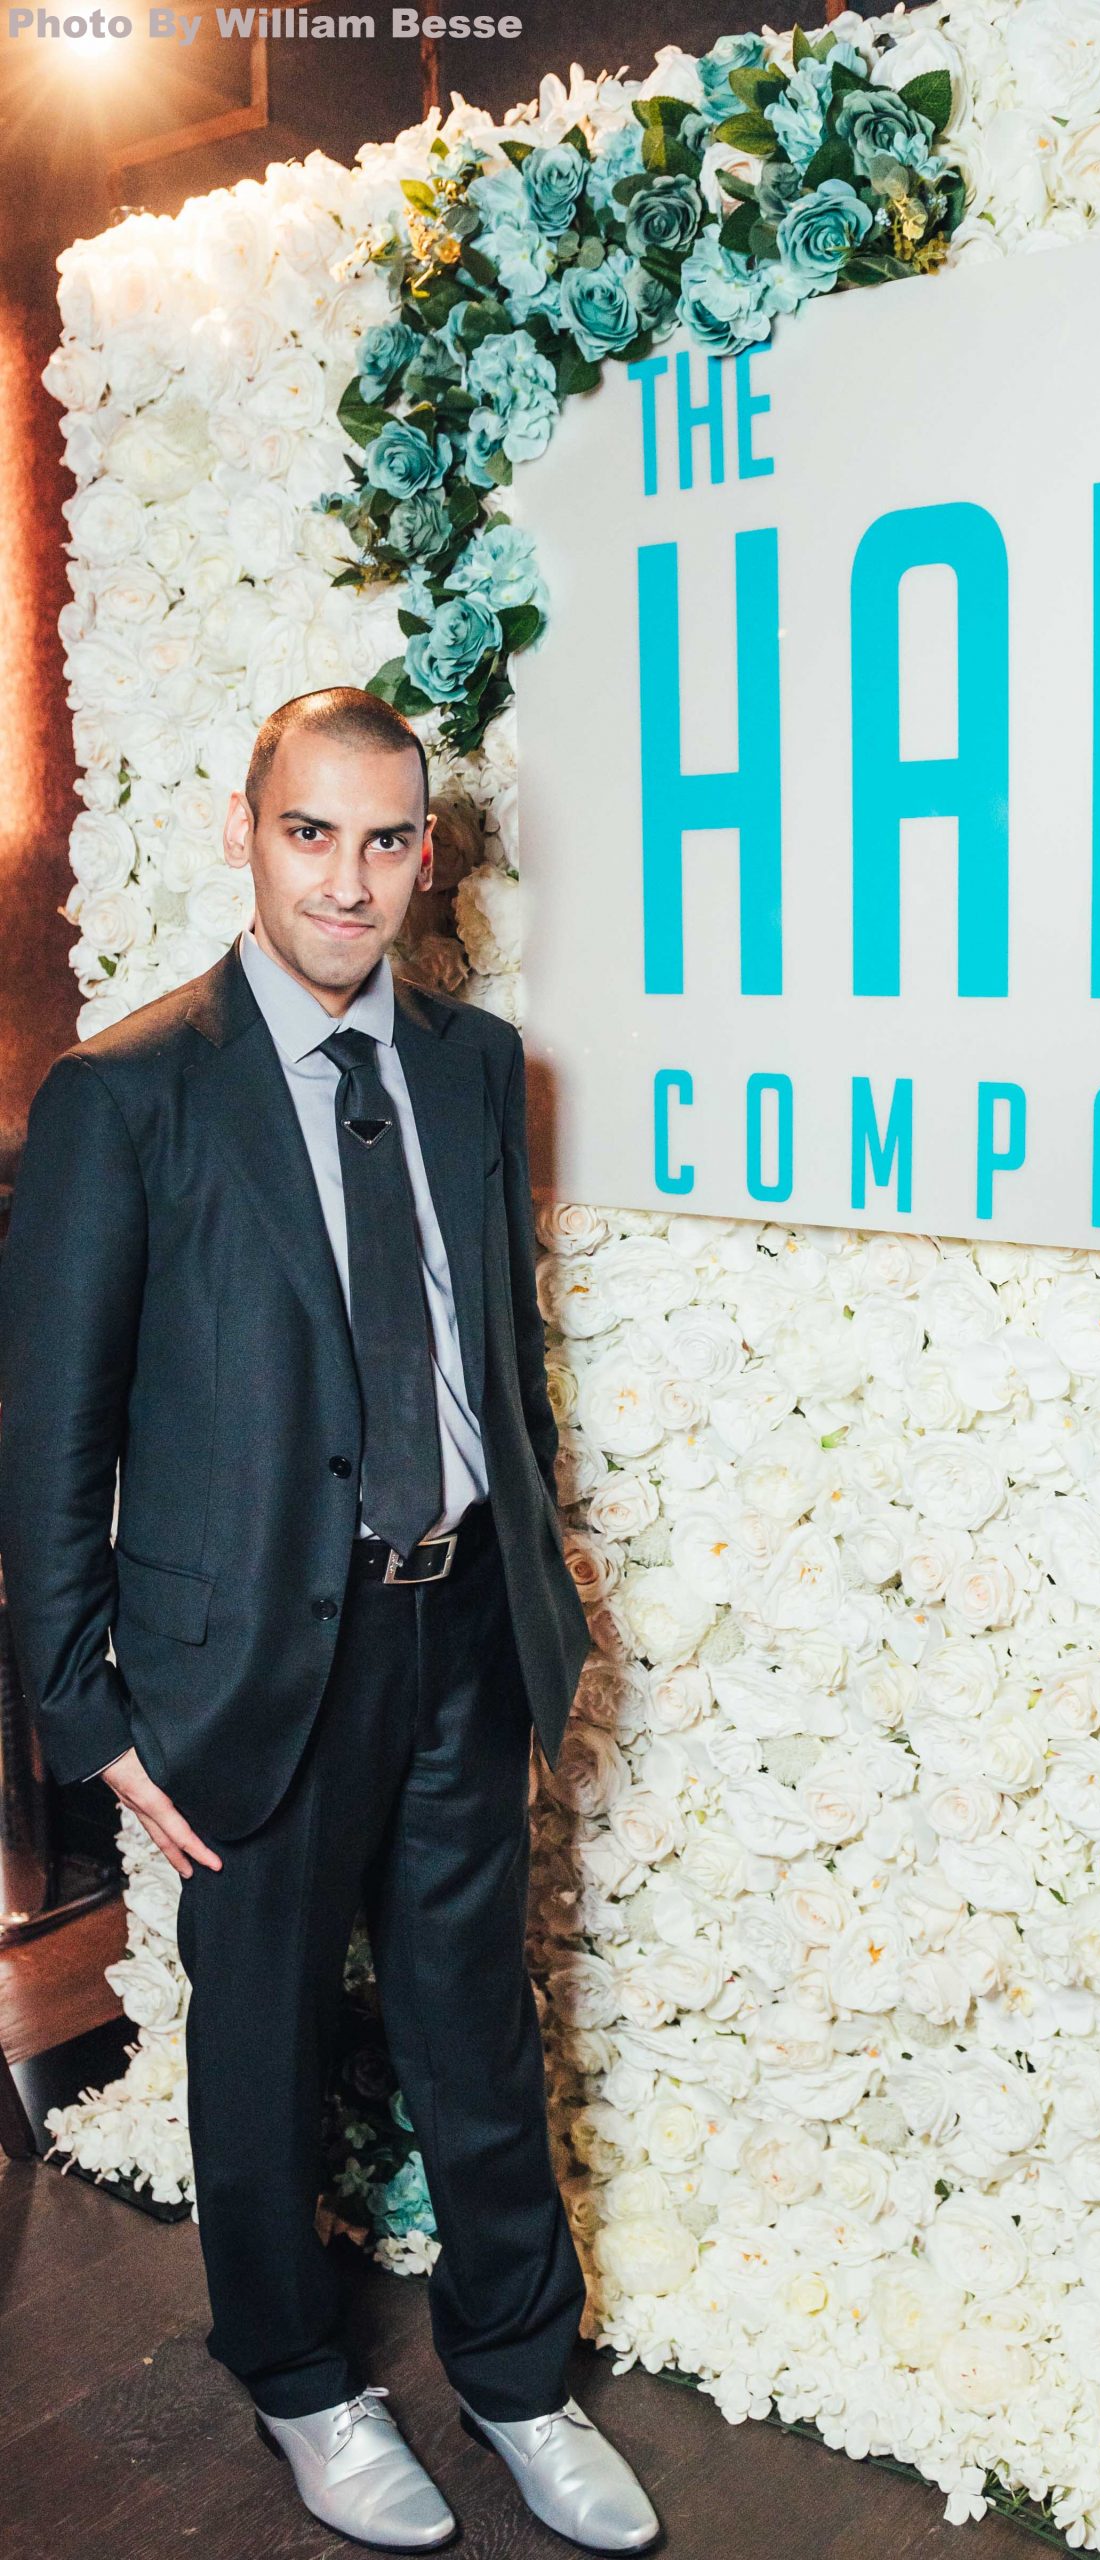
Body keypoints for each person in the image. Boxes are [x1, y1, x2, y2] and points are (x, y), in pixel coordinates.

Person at [0, 687, 659, 2555]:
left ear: (423, 854)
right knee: (265, 2038)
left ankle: (522, 2381)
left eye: (387, 841)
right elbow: (51, 1441)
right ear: (246, 828)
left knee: (477, 2026)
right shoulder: (131, 1094)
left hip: (458, 1634)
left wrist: (538, 1597)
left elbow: (496, 1366)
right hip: (246, 1667)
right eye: (314, 834)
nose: (350, 882)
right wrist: (89, 1711)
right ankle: (298, 2383)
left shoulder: (470, 1066)